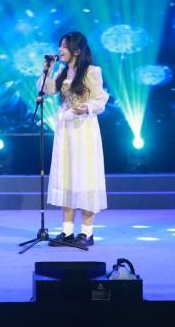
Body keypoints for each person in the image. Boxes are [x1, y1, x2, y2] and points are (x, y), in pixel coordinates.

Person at [36, 31, 109, 248]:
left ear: (76, 51)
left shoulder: (92, 72)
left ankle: (87, 232)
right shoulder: (61, 71)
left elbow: (101, 99)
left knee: (85, 177)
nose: (60, 50)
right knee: (66, 175)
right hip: (65, 129)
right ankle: (67, 231)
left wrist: (86, 107)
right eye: (59, 45)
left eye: (64, 46)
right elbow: (46, 89)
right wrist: (47, 70)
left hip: (84, 128)